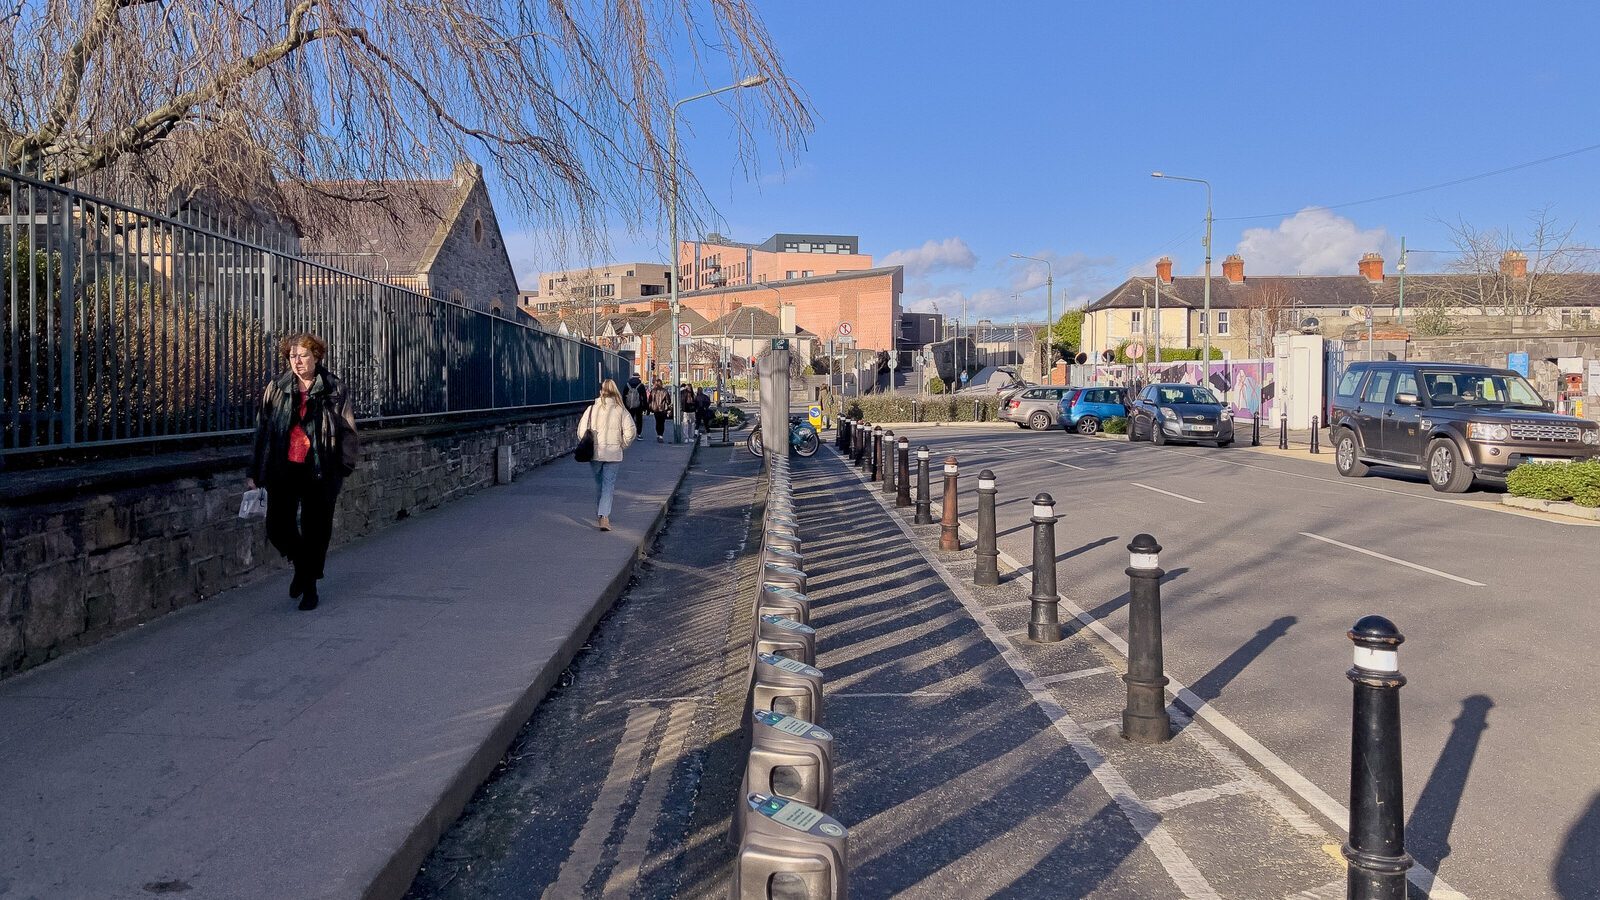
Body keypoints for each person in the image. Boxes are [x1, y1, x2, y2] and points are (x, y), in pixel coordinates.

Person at [247, 332, 360, 611]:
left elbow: (348, 430)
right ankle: (302, 567)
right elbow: (262, 430)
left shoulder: (333, 387)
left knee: (316, 531)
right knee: (277, 527)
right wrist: (254, 472)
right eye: (292, 356)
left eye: (303, 355)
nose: (296, 361)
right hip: (283, 468)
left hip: (320, 469)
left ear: (317, 356)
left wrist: (344, 465)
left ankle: (310, 588)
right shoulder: (277, 387)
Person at [577, 379, 637, 531]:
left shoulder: (591, 409)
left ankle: (601, 514)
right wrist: (622, 444)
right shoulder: (620, 410)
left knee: (599, 484)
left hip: (595, 454)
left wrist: (590, 444)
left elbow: (580, 432)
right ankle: (604, 517)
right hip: (613, 454)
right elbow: (631, 432)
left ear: (600, 391)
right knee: (608, 485)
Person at [622, 372, 647, 439]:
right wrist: (645, 407)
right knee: (639, 420)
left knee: (629, 419)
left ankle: (630, 434)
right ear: (639, 377)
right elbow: (644, 397)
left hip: (629, 405)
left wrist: (624, 405)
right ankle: (639, 434)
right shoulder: (641, 385)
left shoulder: (627, 385)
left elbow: (624, 395)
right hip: (639, 405)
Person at [647, 377, 672, 443]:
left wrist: (650, 408)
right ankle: (661, 435)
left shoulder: (653, 391)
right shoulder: (664, 391)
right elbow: (668, 401)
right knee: (662, 423)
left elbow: (650, 400)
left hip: (655, 409)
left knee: (657, 422)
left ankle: (658, 434)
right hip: (663, 409)